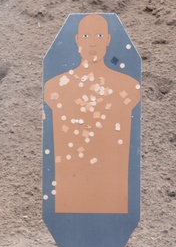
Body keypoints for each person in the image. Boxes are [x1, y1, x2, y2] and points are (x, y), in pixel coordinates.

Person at [43, 14, 140, 213]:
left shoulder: (128, 86)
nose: (92, 43)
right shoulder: (55, 87)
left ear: (108, 39)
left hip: (113, 196)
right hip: (69, 195)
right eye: (86, 36)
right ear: (77, 39)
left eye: (98, 35)